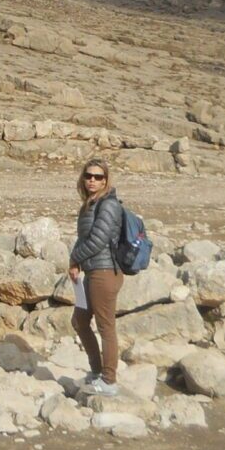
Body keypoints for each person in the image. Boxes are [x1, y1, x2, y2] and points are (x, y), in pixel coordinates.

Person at [67, 159, 125, 397]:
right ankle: (96, 372)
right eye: (89, 176)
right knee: (80, 321)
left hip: (105, 272)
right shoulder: (89, 204)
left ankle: (109, 380)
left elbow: (98, 240)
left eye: (98, 177)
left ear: (106, 180)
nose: (92, 180)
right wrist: (78, 262)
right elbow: (85, 237)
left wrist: (74, 258)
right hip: (91, 272)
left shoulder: (108, 205)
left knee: (105, 326)